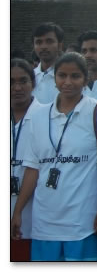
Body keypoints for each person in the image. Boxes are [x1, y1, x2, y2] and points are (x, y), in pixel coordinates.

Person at [11, 52, 97, 261]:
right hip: (44, 225)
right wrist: (18, 211)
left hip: (84, 223)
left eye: (75, 76)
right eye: (62, 76)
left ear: (86, 79)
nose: (68, 82)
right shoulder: (38, 116)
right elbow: (33, 168)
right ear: (54, 78)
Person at [10, 59, 45, 261]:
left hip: (35, 216)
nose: (17, 87)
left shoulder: (47, 116)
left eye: (23, 81)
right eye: (10, 82)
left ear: (33, 83)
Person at [31, 22, 64, 104]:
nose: (43, 47)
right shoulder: (30, 76)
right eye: (39, 42)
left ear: (59, 45)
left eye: (49, 41)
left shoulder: (69, 77)